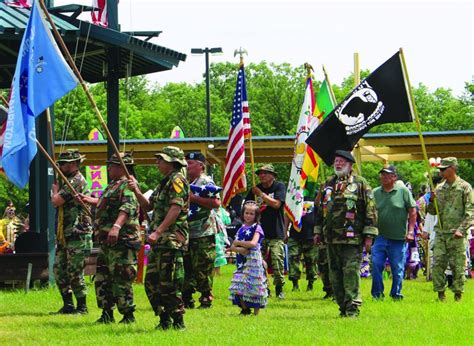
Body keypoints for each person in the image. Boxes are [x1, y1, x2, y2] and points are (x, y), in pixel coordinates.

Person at [129, 146, 189, 330]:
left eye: (161, 160)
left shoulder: (178, 180)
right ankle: (164, 319)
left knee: (169, 281)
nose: (157, 163)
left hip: (170, 239)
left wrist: (157, 231)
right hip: (159, 241)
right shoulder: (163, 183)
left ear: (172, 162)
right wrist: (137, 190)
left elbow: (175, 208)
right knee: (152, 282)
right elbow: (147, 207)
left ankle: (178, 321)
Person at [314, 150, 377, 317]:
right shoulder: (328, 184)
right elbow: (320, 210)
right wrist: (318, 231)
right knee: (334, 273)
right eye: (336, 161)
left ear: (350, 165)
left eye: (342, 161)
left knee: (350, 272)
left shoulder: (360, 183)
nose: (338, 164)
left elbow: (370, 210)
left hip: (352, 238)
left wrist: (369, 235)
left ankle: (352, 307)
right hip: (331, 238)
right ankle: (342, 306)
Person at [81, 152, 141, 324]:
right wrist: (87, 200)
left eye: (113, 165)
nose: (109, 168)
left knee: (121, 277)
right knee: (103, 277)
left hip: (122, 240)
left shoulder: (128, 185)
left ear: (122, 167)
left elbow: (127, 207)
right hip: (106, 241)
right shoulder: (113, 185)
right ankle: (107, 312)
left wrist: (116, 227)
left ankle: (128, 314)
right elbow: (104, 203)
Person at [50, 149, 93, 314]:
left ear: (73, 164)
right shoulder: (65, 180)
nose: (60, 166)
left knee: (74, 271)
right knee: (59, 269)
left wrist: (55, 191)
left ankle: (82, 307)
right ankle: (68, 305)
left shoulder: (75, 180)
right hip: (65, 233)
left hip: (78, 232)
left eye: (63, 164)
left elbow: (56, 201)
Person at [427, 157, 473, 302]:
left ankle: (458, 295)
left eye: (443, 169)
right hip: (441, 233)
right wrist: (431, 201)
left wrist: (461, 229)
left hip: (456, 234)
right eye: (439, 169)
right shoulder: (439, 188)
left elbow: (471, 211)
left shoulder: (464, 187)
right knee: (438, 264)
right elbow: (433, 212)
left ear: (452, 169)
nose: (440, 172)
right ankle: (440, 294)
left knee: (458, 265)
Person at [371, 165, 416, 300]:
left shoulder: (403, 191)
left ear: (394, 177)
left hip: (398, 238)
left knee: (397, 269)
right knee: (376, 265)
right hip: (379, 237)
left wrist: (411, 231)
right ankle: (377, 295)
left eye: (387, 174)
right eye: (382, 174)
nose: (384, 177)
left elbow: (412, 211)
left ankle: (396, 294)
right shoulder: (375, 193)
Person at [182, 152, 220, 309]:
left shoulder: (205, 181)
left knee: (202, 266)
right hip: (187, 232)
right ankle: (187, 297)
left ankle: (206, 298)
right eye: (186, 163)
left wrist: (192, 198)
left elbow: (215, 203)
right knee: (187, 266)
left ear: (201, 166)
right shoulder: (186, 181)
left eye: (190, 163)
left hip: (203, 232)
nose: (187, 166)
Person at [245, 164, 286, 299]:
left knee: (277, 260)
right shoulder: (255, 189)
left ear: (273, 175)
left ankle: (279, 287)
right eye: (260, 173)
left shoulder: (279, 187)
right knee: (258, 261)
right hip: (259, 232)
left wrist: (261, 195)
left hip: (276, 231)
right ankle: (264, 287)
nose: (262, 175)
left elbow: (276, 204)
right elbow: (247, 206)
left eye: (265, 173)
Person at [228, 201, 268, 315]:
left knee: (254, 285)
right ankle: (245, 309)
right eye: (246, 213)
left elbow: (253, 244)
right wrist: (237, 248)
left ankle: (256, 312)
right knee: (239, 284)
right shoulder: (241, 228)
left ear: (256, 216)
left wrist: (239, 243)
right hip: (242, 260)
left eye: (251, 214)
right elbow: (236, 247)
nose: (248, 216)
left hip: (253, 261)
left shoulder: (257, 228)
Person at [287, 198, 318, 292]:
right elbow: (287, 214)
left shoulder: (315, 194)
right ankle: (295, 285)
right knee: (293, 260)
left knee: (311, 262)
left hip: (311, 235)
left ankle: (310, 285)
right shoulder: (293, 193)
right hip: (295, 235)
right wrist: (285, 231)